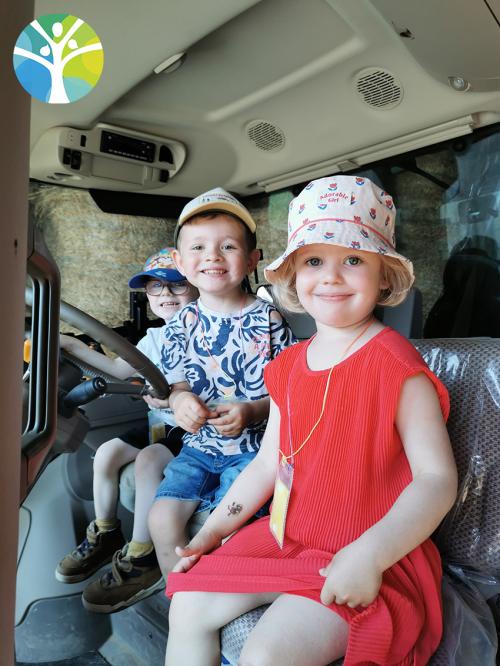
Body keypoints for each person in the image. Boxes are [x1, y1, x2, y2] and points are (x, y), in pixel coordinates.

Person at [164, 176, 458, 666]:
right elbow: (266, 466)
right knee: (187, 604)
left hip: (371, 552)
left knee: (266, 655)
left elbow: (436, 479)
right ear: (294, 274)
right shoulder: (287, 367)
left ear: (384, 275)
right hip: (290, 538)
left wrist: (369, 555)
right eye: (315, 260)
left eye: (354, 260)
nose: (332, 276)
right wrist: (211, 533)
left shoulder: (397, 366)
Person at [147, 188, 295, 580]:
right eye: (198, 247)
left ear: (251, 261)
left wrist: (252, 410)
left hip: (255, 451)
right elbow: (176, 386)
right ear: (180, 261)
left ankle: (226, 589)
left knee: (234, 523)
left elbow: (287, 395)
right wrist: (179, 403)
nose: (212, 256)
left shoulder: (269, 320)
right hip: (198, 448)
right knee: (161, 519)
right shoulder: (181, 325)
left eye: (227, 246)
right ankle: (175, 592)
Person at [55, 248, 198, 613]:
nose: (165, 294)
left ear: (197, 283)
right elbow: (114, 370)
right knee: (106, 453)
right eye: (154, 287)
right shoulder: (154, 338)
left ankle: (142, 557)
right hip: (160, 423)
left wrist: (172, 400)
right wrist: (69, 344)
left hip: (190, 428)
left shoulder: (208, 326)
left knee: (149, 459)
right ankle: (106, 533)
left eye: (177, 285)